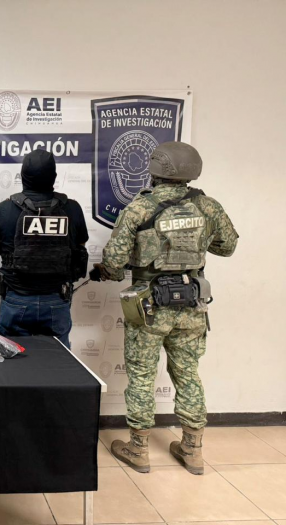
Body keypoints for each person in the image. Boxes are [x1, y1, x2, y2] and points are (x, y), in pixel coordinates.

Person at [90, 141, 238, 475]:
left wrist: (108, 272)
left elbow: (114, 263)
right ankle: (193, 450)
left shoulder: (139, 209)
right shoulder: (208, 206)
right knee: (188, 373)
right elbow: (227, 246)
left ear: (156, 169)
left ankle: (138, 450)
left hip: (149, 307)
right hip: (192, 303)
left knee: (142, 375)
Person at [0, 149, 89, 347]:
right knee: (58, 358)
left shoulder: (5, 209)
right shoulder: (72, 208)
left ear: (23, 176)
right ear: (53, 176)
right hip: (57, 299)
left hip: (17, 299)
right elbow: (78, 248)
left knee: (13, 357)